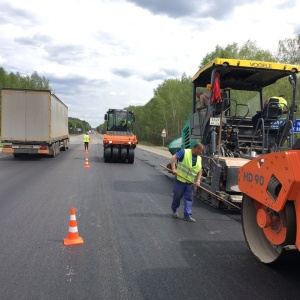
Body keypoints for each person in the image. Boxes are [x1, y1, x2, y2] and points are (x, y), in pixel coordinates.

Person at [170, 143, 204, 222]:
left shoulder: (199, 158)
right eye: (201, 150)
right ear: (196, 148)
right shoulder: (184, 152)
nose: (201, 153)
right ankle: (174, 210)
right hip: (180, 181)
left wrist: (198, 180)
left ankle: (187, 215)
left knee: (189, 198)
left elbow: (200, 170)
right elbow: (173, 157)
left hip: (190, 183)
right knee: (177, 196)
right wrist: (173, 168)